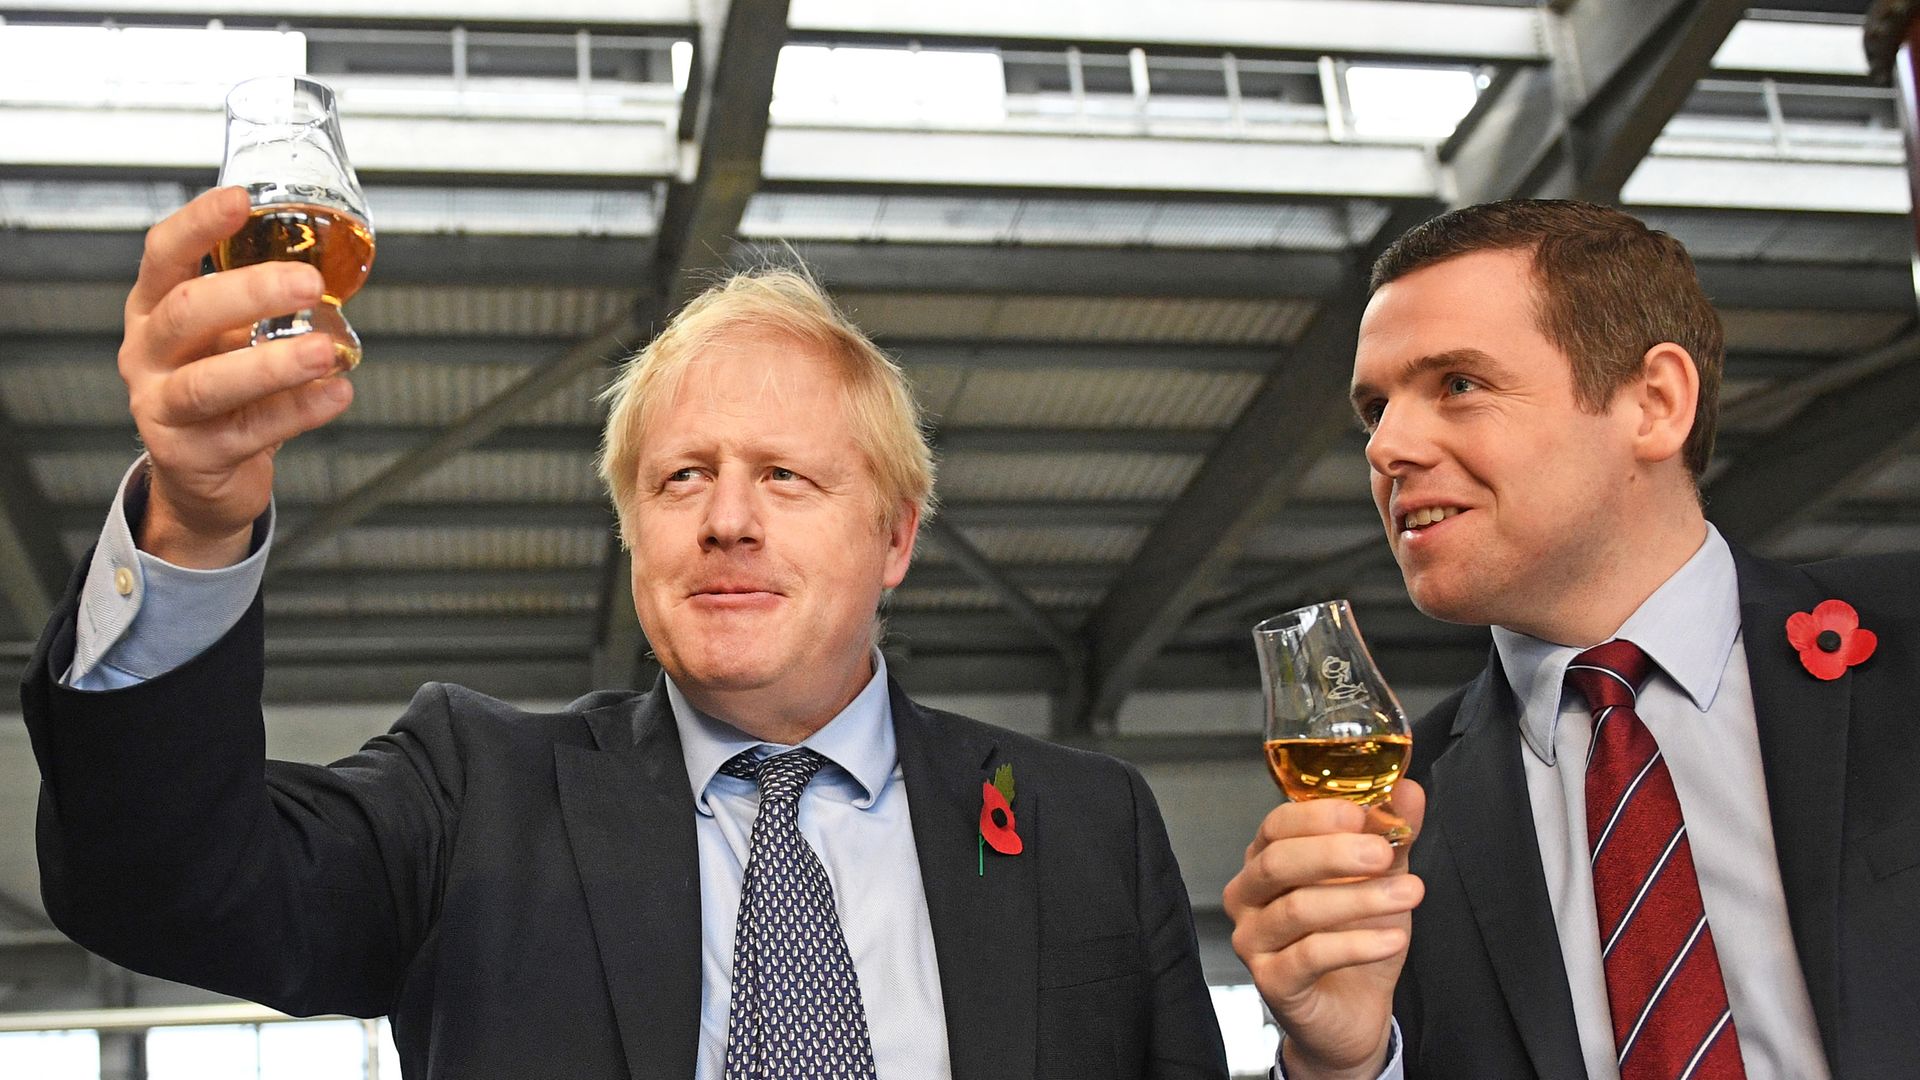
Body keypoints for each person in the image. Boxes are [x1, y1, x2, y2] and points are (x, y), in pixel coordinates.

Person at [23, 186, 1229, 1080]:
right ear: (632, 532)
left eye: (788, 479)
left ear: (898, 539)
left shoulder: (1086, 825)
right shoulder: (471, 794)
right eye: (682, 479)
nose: (729, 522)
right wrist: (191, 517)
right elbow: (162, 886)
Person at [1223, 200, 1920, 1080]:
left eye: (1458, 384)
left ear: (1654, 403)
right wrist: (1337, 1064)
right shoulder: (1393, 821)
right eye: (1375, 408)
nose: (1388, 446)